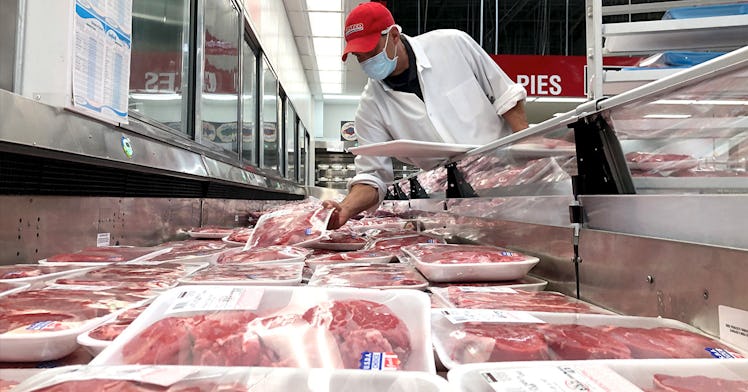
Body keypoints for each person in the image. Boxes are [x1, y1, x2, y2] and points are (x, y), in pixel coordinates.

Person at [324, 2, 529, 229]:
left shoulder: (452, 44)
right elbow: (373, 177)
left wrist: (527, 149)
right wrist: (346, 208)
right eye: (359, 57)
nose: (366, 62)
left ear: (393, 35)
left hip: (510, 177)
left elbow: (506, 96)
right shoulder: (371, 106)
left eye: (371, 52)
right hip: (454, 201)